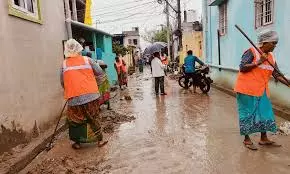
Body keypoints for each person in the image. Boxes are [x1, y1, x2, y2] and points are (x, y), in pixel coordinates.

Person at [234, 31, 290, 150]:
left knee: (264, 113)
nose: (275, 46)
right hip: (246, 89)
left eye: (276, 43)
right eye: (273, 43)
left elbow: (276, 74)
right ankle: (246, 139)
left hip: (261, 90)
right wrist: (259, 62)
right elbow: (242, 67)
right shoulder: (252, 51)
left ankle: (263, 138)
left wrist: (288, 83)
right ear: (265, 42)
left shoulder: (271, 57)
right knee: (247, 114)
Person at [60, 39, 108, 149]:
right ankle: (99, 141)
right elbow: (100, 73)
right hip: (91, 95)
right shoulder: (88, 60)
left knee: (74, 120)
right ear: (79, 49)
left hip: (73, 98)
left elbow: (63, 82)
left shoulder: (64, 64)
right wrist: (95, 84)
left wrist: (70, 89)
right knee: (93, 117)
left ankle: (77, 142)